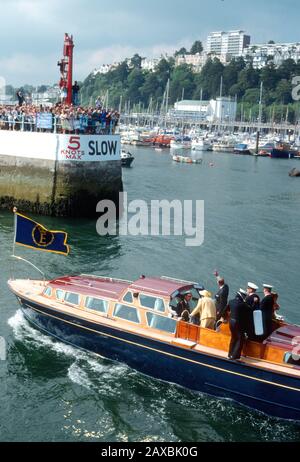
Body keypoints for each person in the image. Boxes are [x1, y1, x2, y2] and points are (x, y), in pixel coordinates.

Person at [227, 289, 249, 360]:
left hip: (231, 321)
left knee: (233, 337)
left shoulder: (231, 301)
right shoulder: (243, 304)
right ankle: (234, 356)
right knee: (240, 338)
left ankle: (230, 354)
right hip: (238, 323)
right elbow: (249, 310)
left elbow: (225, 310)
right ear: (242, 296)